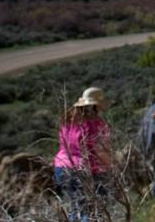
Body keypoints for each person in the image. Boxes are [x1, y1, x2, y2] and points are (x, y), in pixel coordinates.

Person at [53, 87, 112, 222]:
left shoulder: (67, 121)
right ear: (96, 106)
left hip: (62, 168)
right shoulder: (97, 125)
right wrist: (111, 166)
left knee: (76, 208)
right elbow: (100, 151)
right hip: (86, 170)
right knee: (93, 211)